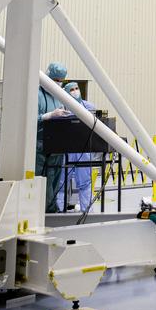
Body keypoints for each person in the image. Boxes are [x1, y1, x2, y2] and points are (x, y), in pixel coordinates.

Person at [57, 81, 96, 213]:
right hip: (65, 149)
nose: (75, 91)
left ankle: (87, 211)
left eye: (76, 88)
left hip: (83, 149)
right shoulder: (60, 108)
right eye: (71, 89)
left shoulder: (89, 107)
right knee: (62, 182)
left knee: (85, 182)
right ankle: (59, 211)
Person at [36, 62, 68, 212]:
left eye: (61, 81)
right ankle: (41, 212)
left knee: (55, 180)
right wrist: (48, 116)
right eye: (56, 80)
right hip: (40, 148)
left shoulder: (59, 96)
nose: (58, 83)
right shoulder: (37, 94)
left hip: (57, 146)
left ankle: (52, 210)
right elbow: (29, 119)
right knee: (41, 183)